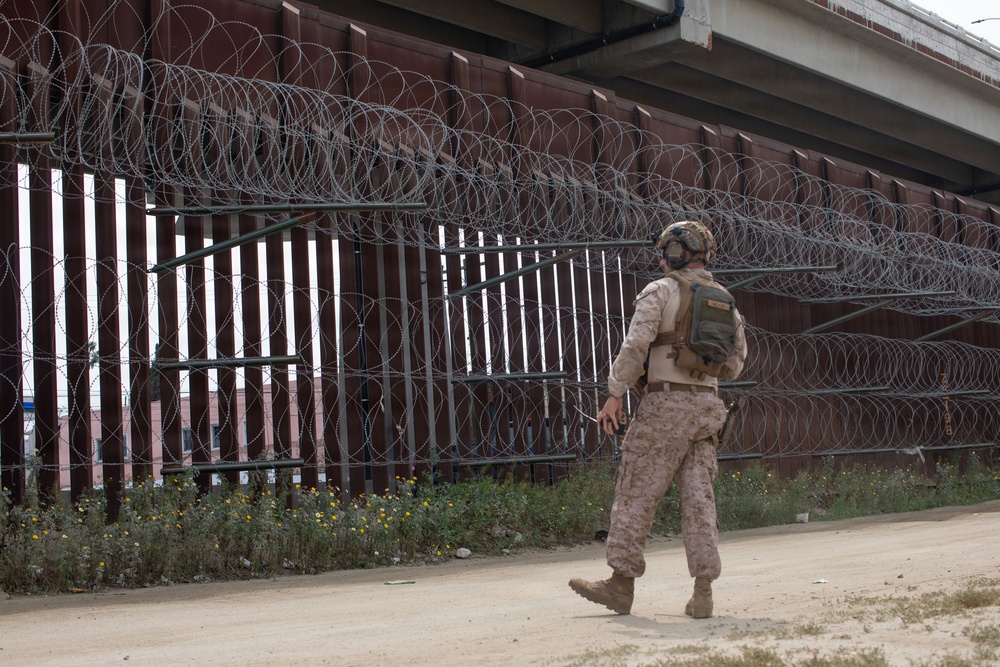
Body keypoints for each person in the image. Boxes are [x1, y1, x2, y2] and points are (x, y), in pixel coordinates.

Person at [569, 219, 748, 618]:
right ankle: (703, 592)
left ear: (674, 252)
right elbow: (735, 366)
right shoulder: (726, 302)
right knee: (699, 497)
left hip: (665, 408)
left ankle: (621, 585)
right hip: (707, 410)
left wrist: (615, 392)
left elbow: (636, 345)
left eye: (663, 251)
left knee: (637, 491)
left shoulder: (661, 291)